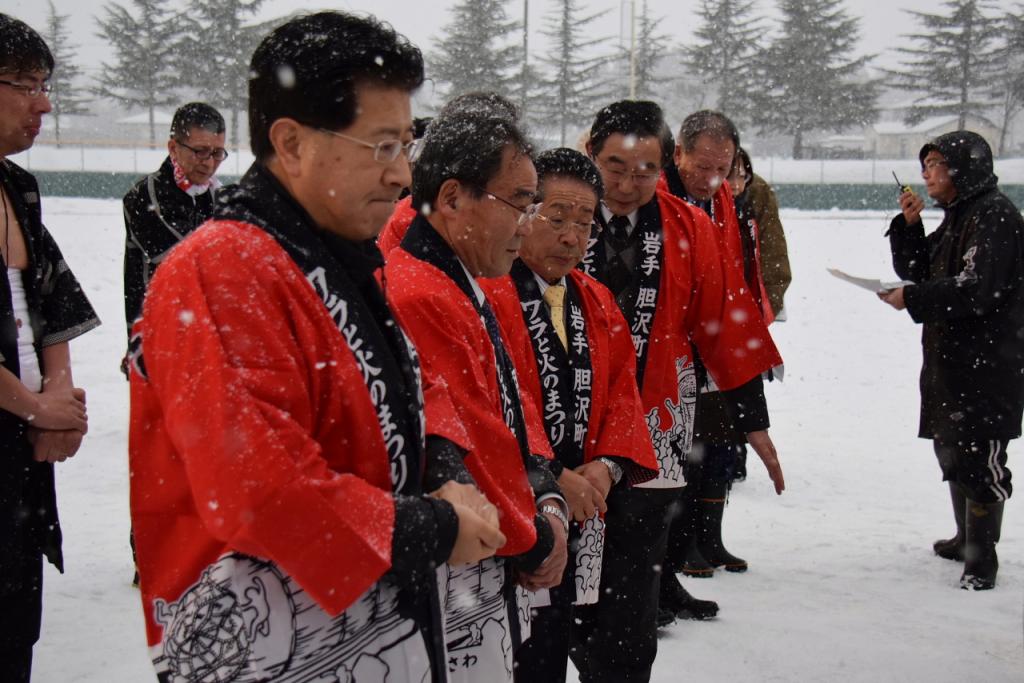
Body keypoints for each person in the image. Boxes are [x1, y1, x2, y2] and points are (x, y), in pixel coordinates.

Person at [127, 12, 505, 682]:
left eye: (406, 146)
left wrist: (444, 464)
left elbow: (417, 388)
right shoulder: (223, 268)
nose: (401, 177)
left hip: (373, 635)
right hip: (273, 644)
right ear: (292, 143)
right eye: (383, 147)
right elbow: (261, 490)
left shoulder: (340, 256)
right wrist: (432, 528)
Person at [571, 100, 784, 683]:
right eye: (615, 166)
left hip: (653, 426)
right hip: (567, 425)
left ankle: (619, 664)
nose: (628, 183)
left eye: (644, 169)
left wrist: (753, 420)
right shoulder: (557, 215)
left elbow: (725, 324)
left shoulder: (689, 228)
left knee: (634, 574)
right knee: (554, 572)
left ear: (663, 163)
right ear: (592, 152)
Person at [383, 107, 569, 683]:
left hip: (485, 545)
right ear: (453, 197)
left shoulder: (458, 281)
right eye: (518, 202)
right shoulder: (421, 293)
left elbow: (510, 412)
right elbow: (472, 445)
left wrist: (543, 494)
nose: (528, 224)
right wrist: (534, 536)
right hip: (461, 558)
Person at [480, 148, 660, 682]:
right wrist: (552, 477)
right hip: (515, 509)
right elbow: (490, 404)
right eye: (556, 218)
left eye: (584, 223)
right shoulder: (488, 294)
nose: (571, 236)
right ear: (522, 212)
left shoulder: (598, 299)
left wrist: (605, 465)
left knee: (566, 642)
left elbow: (624, 393)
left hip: (589, 507)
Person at [0, 14, 100, 681]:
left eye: (45, 83)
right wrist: (36, 408)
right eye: (24, 84)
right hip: (18, 424)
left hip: (21, 461)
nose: (44, 103)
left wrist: (57, 398)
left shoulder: (19, 188)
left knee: (13, 632)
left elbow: (53, 301)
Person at [881, 130, 1024, 591]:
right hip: (953, 358)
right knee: (953, 446)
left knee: (979, 456)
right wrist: (908, 227)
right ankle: (966, 538)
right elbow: (921, 269)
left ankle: (983, 559)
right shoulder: (961, 213)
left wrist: (914, 298)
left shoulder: (995, 216)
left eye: (936, 164)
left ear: (963, 169)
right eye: (925, 164)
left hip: (989, 361)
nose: (927, 173)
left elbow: (976, 288)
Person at [660, 110, 780, 583]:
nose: (711, 179)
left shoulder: (726, 200)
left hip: (718, 339)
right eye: (701, 166)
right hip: (675, 348)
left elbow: (731, 272)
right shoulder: (660, 199)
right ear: (678, 154)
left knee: (718, 443)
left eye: (722, 168)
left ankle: (705, 539)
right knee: (681, 452)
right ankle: (673, 558)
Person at [122, 102, 227, 342]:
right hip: (159, 337)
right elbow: (193, 261)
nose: (209, 162)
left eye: (217, 153)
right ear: (173, 147)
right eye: (200, 151)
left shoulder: (216, 194)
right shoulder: (144, 197)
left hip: (210, 339)